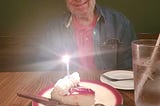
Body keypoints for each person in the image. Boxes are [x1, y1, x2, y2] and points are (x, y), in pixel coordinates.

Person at [41, 0, 137, 71]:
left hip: (109, 91)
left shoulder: (120, 23)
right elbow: (47, 69)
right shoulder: (53, 29)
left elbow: (129, 70)